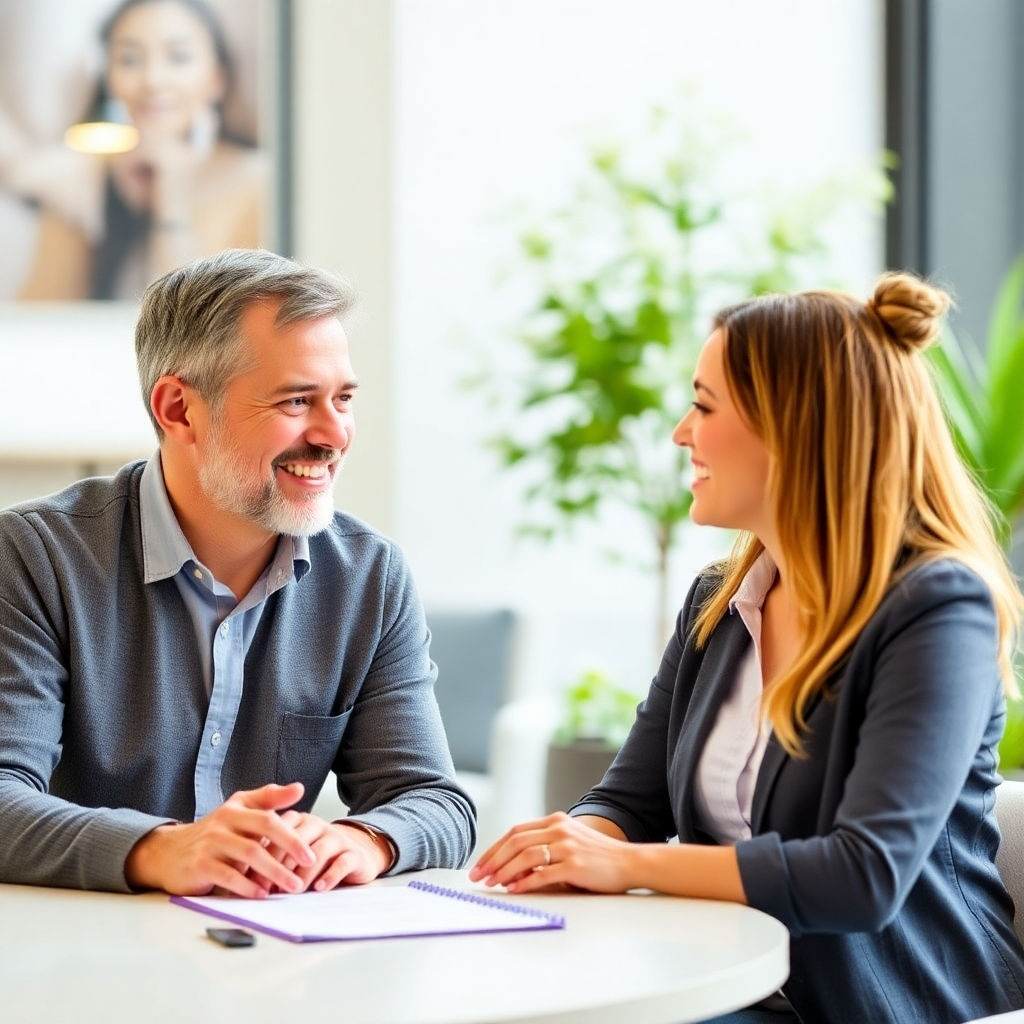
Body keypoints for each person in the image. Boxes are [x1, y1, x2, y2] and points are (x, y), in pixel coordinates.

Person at [470, 272, 1024, 1023]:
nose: (680, 432)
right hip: (734, 987)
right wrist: (570, 843)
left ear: (796, 429)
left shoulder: (937, 609)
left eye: (703, 405)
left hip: (891, 1006)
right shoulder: (719, 604)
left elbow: (864, 876)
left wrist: (625, 863)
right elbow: (630, 800)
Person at [0, 247, 474, 896]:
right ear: (179, 409)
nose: (334, 434)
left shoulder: (371, 576)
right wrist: (161, 851)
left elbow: (434, 802)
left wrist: (363, 840)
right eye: (297, 401)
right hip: (78, 959)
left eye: (343, 398)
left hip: (272, 960)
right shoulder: (35, 557)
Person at [16, 0, 265, 301]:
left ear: (217, 79)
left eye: (179, 57)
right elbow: (40, 321)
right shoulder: (85, 174)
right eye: (130, 60)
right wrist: (88, 204)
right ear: (108, 79)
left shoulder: (257, 183)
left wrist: (172, 199)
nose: (153, 80)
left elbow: (194, 335)